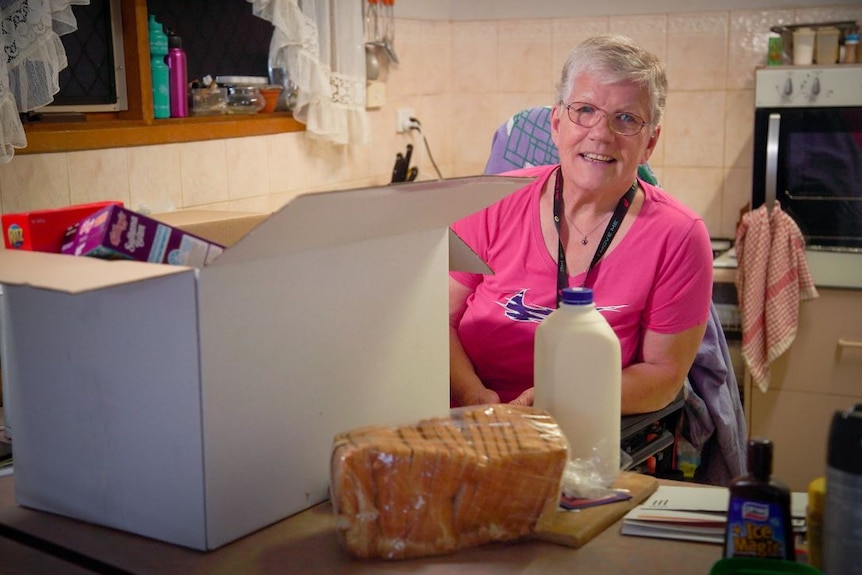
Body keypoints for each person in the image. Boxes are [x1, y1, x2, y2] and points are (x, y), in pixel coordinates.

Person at [449, 34, 713, 415]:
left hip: (589, 429)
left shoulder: (679, 236)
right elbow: (440, 323)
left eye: (626, 118)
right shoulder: (491, 202)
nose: (601, 134)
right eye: (585, 110)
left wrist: (566, 398)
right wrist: (478, 399)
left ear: (650, 142)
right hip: (474, 421)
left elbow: (663, 375)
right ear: (557, 123)